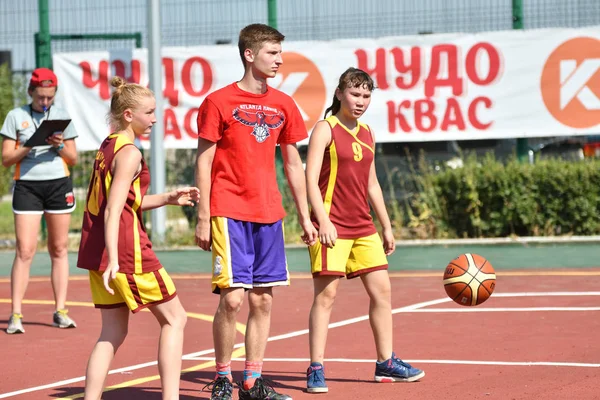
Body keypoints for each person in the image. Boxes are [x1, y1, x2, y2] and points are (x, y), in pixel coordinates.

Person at [195, 23, 317, 400]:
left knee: (263, 299)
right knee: (232, 299)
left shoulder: (283, 103)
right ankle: (221, 376)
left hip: (270, 213)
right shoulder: (218, 102)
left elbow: (294, 166)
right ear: (249, 55)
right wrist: (202, 214)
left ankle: (251, 381)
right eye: (272, 53)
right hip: (228, 210)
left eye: (280, 53)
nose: (279, 60)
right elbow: (203, 160)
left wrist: (306, 214)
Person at [304, 67, 425, 393]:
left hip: (363, 226)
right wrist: (322, 221)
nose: (360, 101)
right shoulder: (324, 129)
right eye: (355, 94)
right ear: (340, 93)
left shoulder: (368, 132)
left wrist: (386, 225)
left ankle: (386, 363)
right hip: (331, 225)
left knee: (382, 292)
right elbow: (310, 180)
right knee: (326, 296)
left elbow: (372, 183)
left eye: (366, 95)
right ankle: (316, 367)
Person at [77, 76, 197, 400]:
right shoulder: (129, 153)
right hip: (127, 251)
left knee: (112, 331)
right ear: (128, 114)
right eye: (150, 112)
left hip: (99, 250)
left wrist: (169, 197)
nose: (155, 119)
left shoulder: (107, 145)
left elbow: (127, 201)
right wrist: (115, 259)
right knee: (176, 319)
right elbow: (114, 210)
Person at [1, 67, 78, 334]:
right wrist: (31, 144)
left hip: (58, 185)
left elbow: (73, 158)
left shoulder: (61, 116)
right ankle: (16, 315)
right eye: (40, 97)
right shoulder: (16, 116)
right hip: (27, 187)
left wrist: (58, 144)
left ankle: (61, 311)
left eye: (49, 97)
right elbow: (6, 159)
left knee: (59, 249)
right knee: (25, 250)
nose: (45, 102)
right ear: (30, 92)